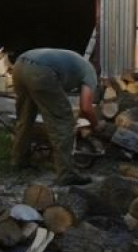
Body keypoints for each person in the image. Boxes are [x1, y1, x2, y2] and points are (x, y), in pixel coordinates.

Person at [11, 48, 100, 186]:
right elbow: (86, 107)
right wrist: (95, 125)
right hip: (41, 71)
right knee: (63, 121)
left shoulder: (76, 62)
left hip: (20, 65)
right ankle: (66, 174)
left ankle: (20, 160)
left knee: (25, 118)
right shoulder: (91, 73)